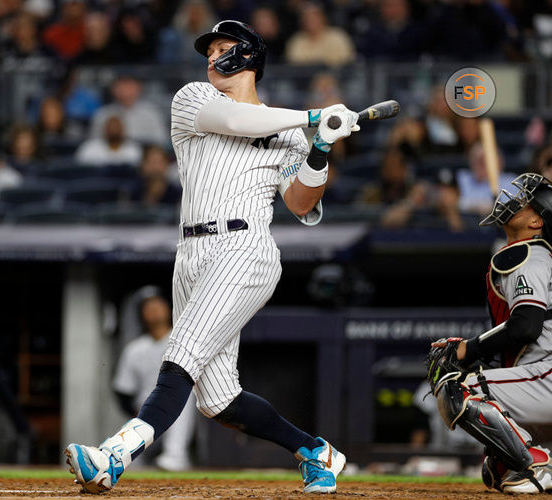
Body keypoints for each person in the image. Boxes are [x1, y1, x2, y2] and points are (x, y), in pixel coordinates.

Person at [65, 20, 359, 494]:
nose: (212, 56)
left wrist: (321, 147)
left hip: (245, 250)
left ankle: (115, 454)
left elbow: (302, 203)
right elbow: (239, 122)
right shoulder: (194, 98)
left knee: (179, 354)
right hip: (191, 253)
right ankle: (316, 451)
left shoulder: (289, 135)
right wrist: (312, 116)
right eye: (210, 49)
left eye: (223, 48)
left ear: (247, 56)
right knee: (217, 400)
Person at [426, 173, 552, 494]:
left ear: (537, 222)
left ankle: (539, 463)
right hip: (540, 379)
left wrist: (468, 350)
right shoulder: (543, 257)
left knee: (456, 391)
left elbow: (526, 325)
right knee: (497, 469)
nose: (516, 202)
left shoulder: (527, 255)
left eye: (525, 203)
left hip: (547, 380)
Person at [113, 292, 196, 471]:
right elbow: (122, 390)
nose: (155, 312)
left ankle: (176, 456)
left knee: (184, 399)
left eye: (158, 306)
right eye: (149, 308)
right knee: (133, 465)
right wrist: (134, 412)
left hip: (180, 404)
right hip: (146, 406)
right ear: (142, 315)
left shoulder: (185, 341)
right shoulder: (135, 349)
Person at [88, 75, 169, 146]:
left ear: (139, 87)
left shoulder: (152, 113)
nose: (125, 90)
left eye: (130, 86)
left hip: (144, 159)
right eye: (121, 85)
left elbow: (161, 142)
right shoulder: (103, 114)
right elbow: (94, 144)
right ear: (113, 89)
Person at [285, 2, 355, 67]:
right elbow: (294, 66)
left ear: (323, 18)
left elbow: (345, 61)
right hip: (304, 79)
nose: (310, 21)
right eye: (307, 18)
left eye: (314, 17)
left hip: (336, 76)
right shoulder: (296, 40)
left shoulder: (337, 35)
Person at [75, 115, 143, 167]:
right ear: (104, 129)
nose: (113, 130)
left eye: (117, 127)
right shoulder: (89, 148)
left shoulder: (134, 149)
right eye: (110, 127)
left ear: (123, 130)